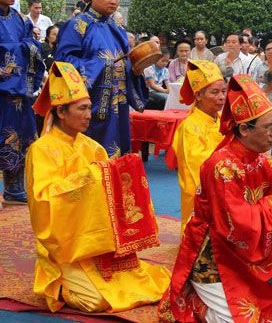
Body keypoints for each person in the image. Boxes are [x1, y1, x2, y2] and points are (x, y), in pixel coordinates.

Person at [158, 74, 272, 322]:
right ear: (243, 128)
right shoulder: (221, 167)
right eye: (268, 127)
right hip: (216, 257)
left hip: (251, 257)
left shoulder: (265, 161)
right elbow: (234, 227)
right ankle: (196, 302)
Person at [27, 62, 171, 313]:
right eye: (82, 108)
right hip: (67, 245)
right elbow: (43, 201)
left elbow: (111, 194)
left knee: (149, 283)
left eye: (88, 108)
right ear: (61, 112)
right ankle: (57, 280)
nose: (89, 114)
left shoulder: (94, 147)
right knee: (95, 301)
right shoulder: (41, 150)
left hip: (99, 239)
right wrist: (92, 177)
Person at [55, 0, 148, 158]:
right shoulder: (77, 25)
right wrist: (104, 66)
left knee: (119, 159)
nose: (114, 1)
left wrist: (135, 70)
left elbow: (126, 62)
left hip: (119, 105)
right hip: (91, 106)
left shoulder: (118, 29)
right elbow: (63, 62)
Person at [0, 0, 45, 206]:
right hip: (1, 91)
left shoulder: (18, 18)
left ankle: (14, 187)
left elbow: (32, 44)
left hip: (20, 92)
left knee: (21, 138)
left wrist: (27, 46)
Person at [170, 60, 226, 233]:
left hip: (227, 182)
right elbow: (194, 167)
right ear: (199, 95)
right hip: (205, 189)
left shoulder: (223, 120)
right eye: (215, 92)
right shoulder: (190, 127)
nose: (222, 97)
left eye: (223, 91)